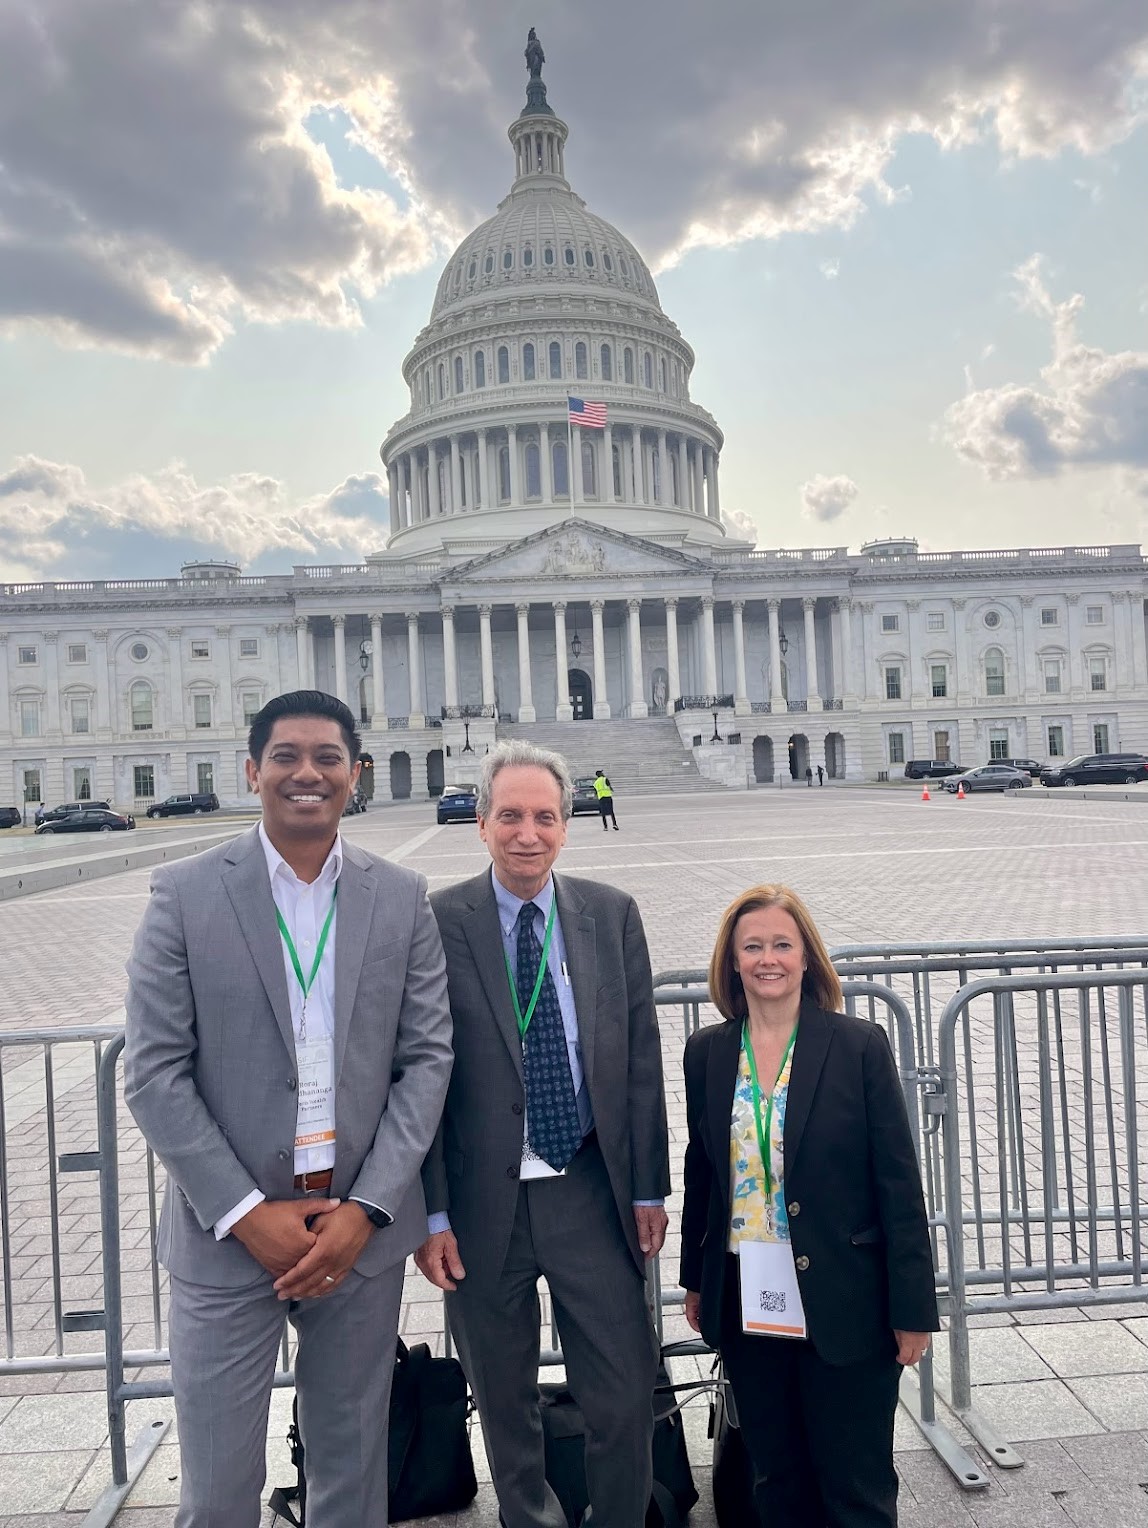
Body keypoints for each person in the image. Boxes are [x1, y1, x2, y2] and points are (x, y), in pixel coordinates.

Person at [124, 690, 453, 1528]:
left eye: (328, 759)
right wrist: (245, 1214)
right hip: (227, 1238)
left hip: (357, 1233)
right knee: (218, 1491)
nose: (307, 774)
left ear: (355, 775)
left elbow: (426, 1062)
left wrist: (369, 1209)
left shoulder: (401, 894)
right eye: (286, 757)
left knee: (352, 1479)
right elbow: (155, 1073)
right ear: (252, 771)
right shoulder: (184, 892)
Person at [417, 740, 670, 1528]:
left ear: (567, 825)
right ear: (482, 823)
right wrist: (430, 1216)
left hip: (588, 1185)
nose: (529, 833)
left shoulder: (609, 913)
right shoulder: (437, 920)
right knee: (503, 1401)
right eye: (511, 816)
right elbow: (416, 1074)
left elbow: (638, 1057)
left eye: (545, 817)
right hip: (481, 1202)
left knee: (625, 1393)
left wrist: (648, 1186)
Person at [680, 884, 937, 1527]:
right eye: (753, 946)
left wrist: (913, 1309)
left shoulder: (857, 1046)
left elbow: (899, 1185)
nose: (769, 959)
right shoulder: (708, 1053)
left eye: (782, 945)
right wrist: (694, 1279)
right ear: (732, 961)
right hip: (748, 1298)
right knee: (777, 1480)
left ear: (807, 958)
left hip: (847, 1301)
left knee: (855, 1486)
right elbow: (703, 1171)